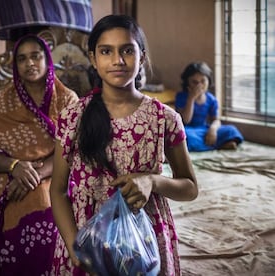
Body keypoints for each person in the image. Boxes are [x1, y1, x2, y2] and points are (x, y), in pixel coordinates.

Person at [50, 14, 198, 276]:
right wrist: (75, 248)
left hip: (144, 239)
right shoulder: (72, 117)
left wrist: (153, 181)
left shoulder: (164, 118)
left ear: (141, 56)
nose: (118, 60)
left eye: (127, 50)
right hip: (87, 238)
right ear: (93, 59)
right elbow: (58, 190)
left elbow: (189, 188)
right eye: (106, 51)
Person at [0, 34, 79, 275]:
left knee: (47, 203)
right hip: (9, 175)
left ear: (47, 60)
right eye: (22, 59)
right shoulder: (2, 103)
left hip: (55, 172)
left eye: (36, 56)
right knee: (12, 200)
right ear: (15, 66)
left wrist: (34, 175)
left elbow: (73, 149)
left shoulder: (67, 99)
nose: (29, 64)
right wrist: (15, 166)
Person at [175, 61, 244, 152]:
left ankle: (211, 144)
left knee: (231, 130)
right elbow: (185, 120)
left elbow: (216, 120)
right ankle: (218, 145)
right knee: (184, 136)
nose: (199, 85)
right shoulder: (181, 97)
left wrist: (213, 130)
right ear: (187, 83)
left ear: (208, 81)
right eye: (194, 82)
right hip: (189, 130)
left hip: (204, 129)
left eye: (203, 81)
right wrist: (191, 98)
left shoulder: (211, 99)